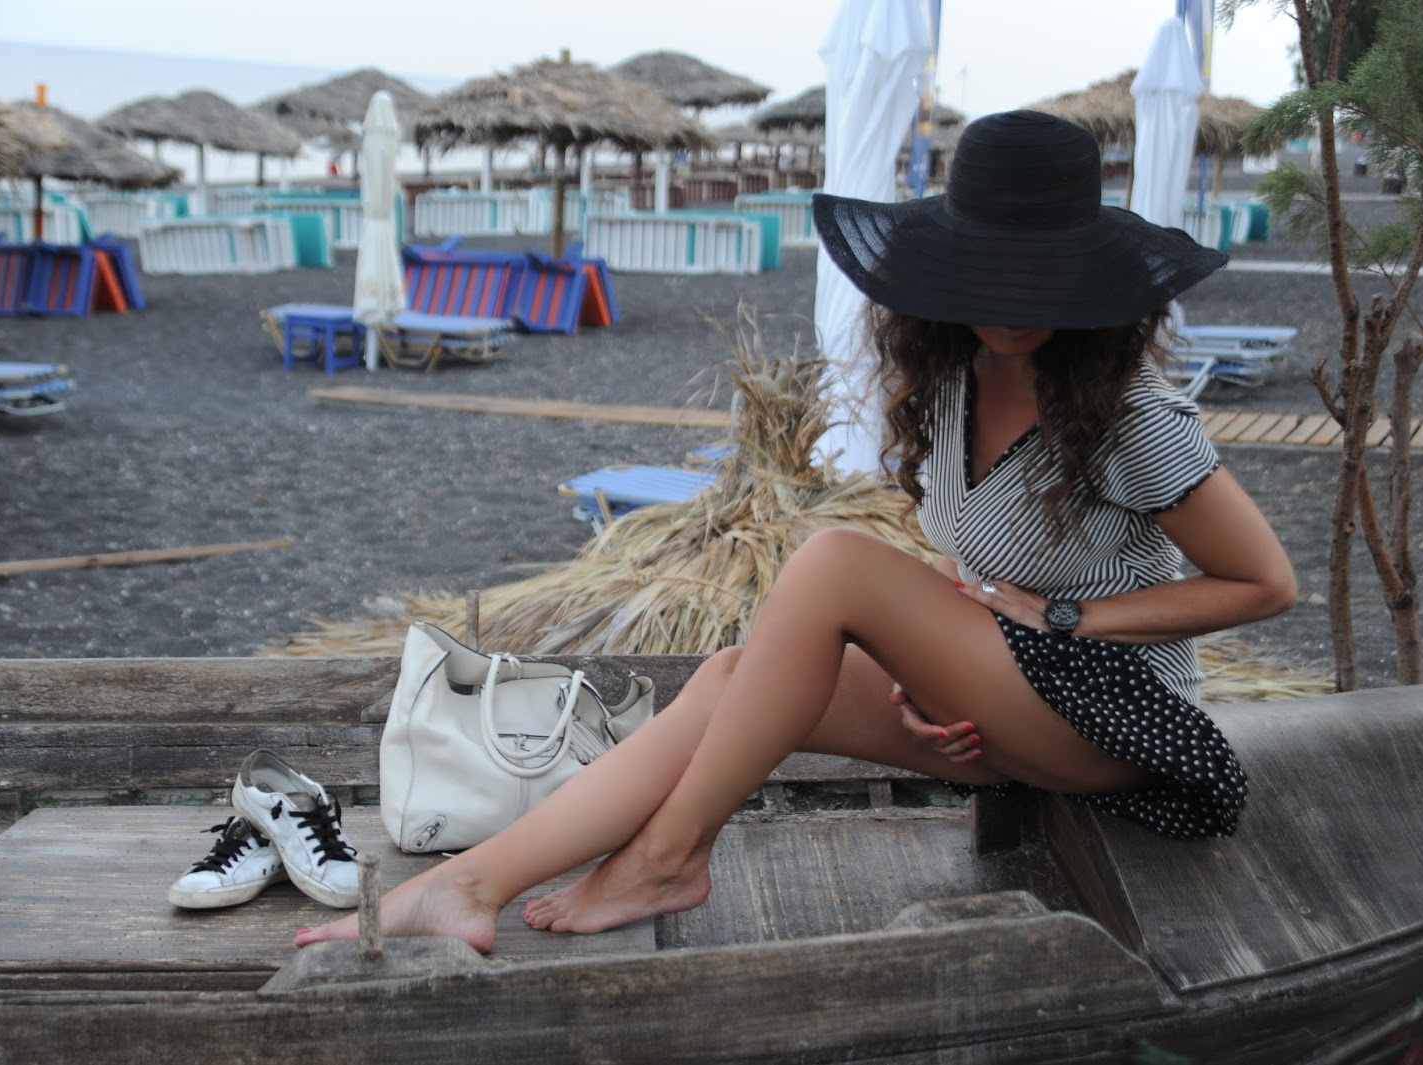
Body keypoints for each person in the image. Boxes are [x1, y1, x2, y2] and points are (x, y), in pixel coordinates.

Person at [295, 110, 1297, 952]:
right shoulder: (953, 381)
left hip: (1122, 722)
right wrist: (925, 672)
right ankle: (470, 885)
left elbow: (1262, 584)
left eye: (1036, 276)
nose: (1010, 302)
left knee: (829, 562)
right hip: (1009, 697)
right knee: (737, 677)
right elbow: (976, 562)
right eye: (988, 270)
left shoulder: (1131, 415)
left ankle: (666, 859)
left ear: (1086, 279)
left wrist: (1064, 615)